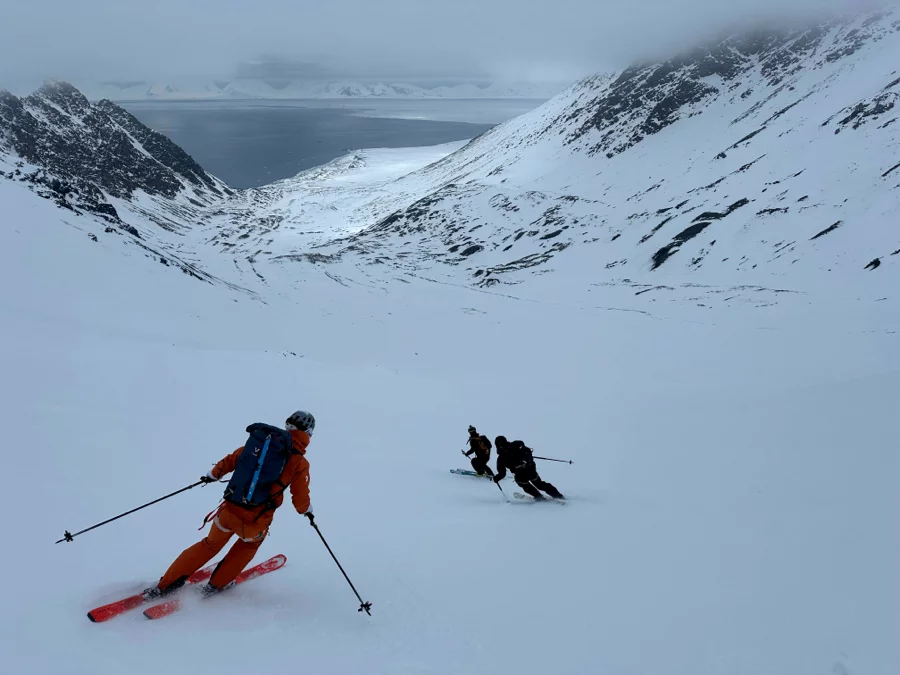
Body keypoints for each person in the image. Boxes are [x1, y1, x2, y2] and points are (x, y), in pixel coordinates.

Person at [144, 410, 316, 598]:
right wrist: (307, 512)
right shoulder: (299, 462)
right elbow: (300, 497)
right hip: (255, 522)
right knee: (248, 546)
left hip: (228, 512)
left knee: (209, 545)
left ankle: (164, 584)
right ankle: (216, 585)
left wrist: (212, 475)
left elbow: (232, 460)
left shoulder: (260, 443)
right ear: (308, 433)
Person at [493, 435, 564, 500]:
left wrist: (497, 478)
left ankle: (549, 496)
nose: (501, 446)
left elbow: (502, 473)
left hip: (527, 469)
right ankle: (548, 496)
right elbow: (502, 472)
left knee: (532, 484)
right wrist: (497, 478)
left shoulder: (505, 454)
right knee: (534, 484)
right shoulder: (509, 451)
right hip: (524, 471)